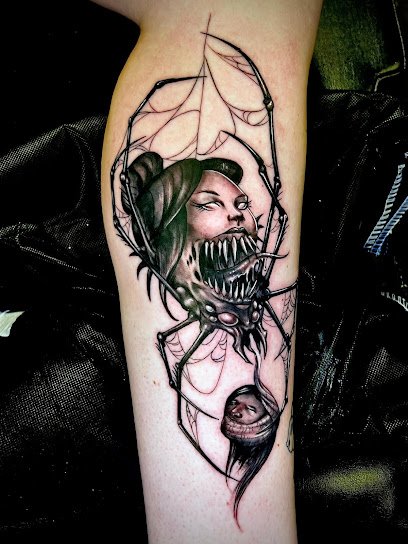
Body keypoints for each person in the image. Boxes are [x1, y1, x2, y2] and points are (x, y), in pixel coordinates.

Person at [96, 0, 323, 541]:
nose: (241, 210)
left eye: (240, 201)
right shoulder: (201, 333)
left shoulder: (247, 300)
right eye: (211, 203)